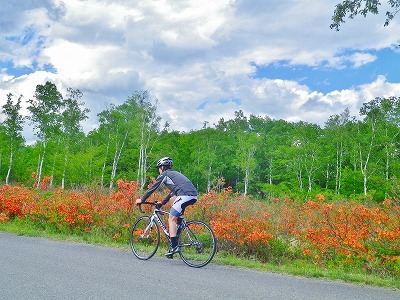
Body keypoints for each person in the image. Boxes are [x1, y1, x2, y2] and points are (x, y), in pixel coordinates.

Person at [136, 157, 198, 258]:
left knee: (171, 218)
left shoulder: (165, 174)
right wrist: (162, 203)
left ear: (163, 167)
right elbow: (173, 192)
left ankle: (174, 247)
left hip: (184, 195)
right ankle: (173, 246)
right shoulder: (175, 174)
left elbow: (153, 188)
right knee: (175, 213)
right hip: (193, 196)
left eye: (159, 168)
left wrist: (142, 200)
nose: (159, 171)